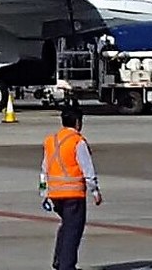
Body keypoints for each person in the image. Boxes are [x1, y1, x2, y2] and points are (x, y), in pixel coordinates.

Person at [41, 108, 102, 270]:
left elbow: (44, 168)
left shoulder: (51, 140)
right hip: (73, 194)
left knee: (66, 225)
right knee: (73, 229)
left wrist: (44, 192)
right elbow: (86, 167)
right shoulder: (77, 141)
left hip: (55, 193)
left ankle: (59, 260)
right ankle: (66, 266)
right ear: (77, 122)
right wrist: (94, 190)